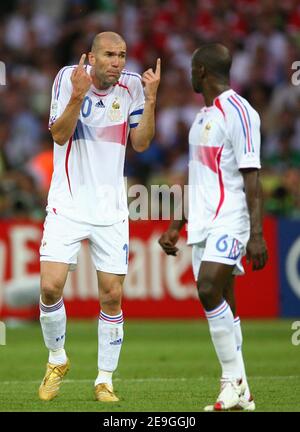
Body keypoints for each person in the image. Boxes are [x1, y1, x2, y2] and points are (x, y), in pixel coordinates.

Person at [38, 32, 160, 402]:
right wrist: (77, 95)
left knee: (111, 295)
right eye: (109, 55)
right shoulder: (67, 77)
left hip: (110, 209)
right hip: (68, 203)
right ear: (90, 57)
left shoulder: (134, 87)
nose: (117, 62)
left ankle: (104, 379)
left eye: (122, 55)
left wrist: (152, 100)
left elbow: (141, 143)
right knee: (49, 287)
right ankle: (57, 359)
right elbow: (59, 136)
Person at [158, 43, 268, 411]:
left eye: (192, 69)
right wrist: (177, 225)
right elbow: (196, 176)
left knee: (208, 289)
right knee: (225, 302)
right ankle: (244, 392)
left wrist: (256, 234)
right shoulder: (202, 116)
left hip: (231, 218)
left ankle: (231, 381)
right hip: (203, 223)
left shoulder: (240, 112)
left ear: (202, 71)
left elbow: (253, 177)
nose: (189, 75)